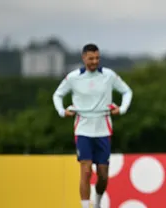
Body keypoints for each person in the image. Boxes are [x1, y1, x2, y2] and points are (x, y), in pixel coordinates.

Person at [52, 44, 133, 208]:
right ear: (84, 58)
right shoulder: (73, 77)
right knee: (86, 170)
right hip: (82, 129)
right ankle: (84, 206)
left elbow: (127, 91)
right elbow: (58, 95)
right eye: (91, 58)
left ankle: (96, 202)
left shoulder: (108, 75)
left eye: (97, 58)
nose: (94, 61)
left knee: (103, 174)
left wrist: (122, 109)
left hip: (103, 129)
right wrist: (62, 111)